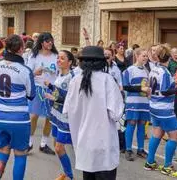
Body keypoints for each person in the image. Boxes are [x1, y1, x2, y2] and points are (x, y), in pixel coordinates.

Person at [64, 46, 124, 180]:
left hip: (84, 142)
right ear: (102, 62)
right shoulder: (107, 80)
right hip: (104, 142)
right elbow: (116, 113)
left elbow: (67, 110)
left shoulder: (75, 81)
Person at [0, 34, 36, 180]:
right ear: (21, 49)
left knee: (2, 150)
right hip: (18, 118)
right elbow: (31, 95)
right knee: (20, 153)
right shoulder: (25, 70)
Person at [144, 44, 177, 178]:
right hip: (164, 109)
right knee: (175, 136)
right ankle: (167, 166)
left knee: (157, 133)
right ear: (169, 58)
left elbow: (153, 87)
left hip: (154, 106)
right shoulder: (165, 72)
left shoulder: (154, 69)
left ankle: (149, 162)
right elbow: (166, 91)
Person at [44, 50, 76, 180]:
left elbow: (71, 98)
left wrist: (54, 98)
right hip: (56, 114)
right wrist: (51, 86)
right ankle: (66, 172)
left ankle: (69, 175)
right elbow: (59, 92)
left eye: (62, 58)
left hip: (65, 117)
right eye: (58, 58)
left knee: (59, 147)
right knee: (58, 145)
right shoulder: (59, 73)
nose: (58, 60)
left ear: (70, 62)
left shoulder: (73, 77)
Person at [27, 32, 58, 155]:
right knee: (34, 116)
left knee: (49, 118)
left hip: (51, 89)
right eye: (47, 41)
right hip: (38, 88)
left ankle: (43, 144)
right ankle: (29, 143)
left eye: (51, 41)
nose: (50, 43)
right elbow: (28, 74)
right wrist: (35, 72)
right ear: (41, 43)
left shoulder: (56, 56)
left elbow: (61, 72)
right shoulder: (34, 56)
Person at [122, 48, 150, 161]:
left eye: (146, 56)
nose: (145, 58)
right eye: (143, 56)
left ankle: (140, 149)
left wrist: (149, 92)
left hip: (144, 102)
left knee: (142, 124)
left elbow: (148, 86)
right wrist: (140, 88)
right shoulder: (129, 70)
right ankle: (128, 149)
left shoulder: (147, 71)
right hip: (133, 102)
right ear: (136, 56)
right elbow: (126, 86)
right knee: (132, 123)